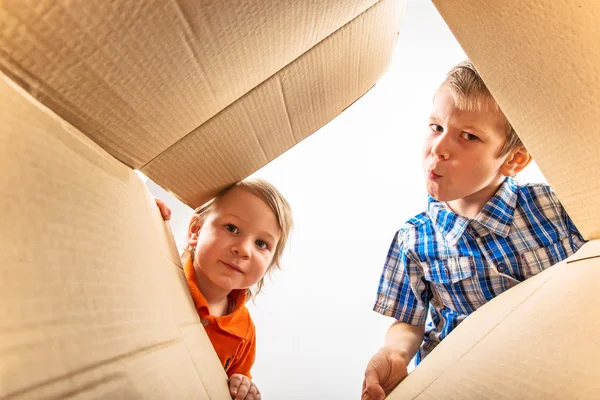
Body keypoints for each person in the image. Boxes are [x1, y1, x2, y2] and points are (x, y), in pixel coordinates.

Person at [361, 60, 586, 399]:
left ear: (513, 160)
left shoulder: (558, 205)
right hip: (467, 382)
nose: (439, 148)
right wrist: (395, 354)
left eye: (468, 136)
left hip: (559, 372)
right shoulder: (414, 240)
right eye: (436, 127)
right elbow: (409, 321)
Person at [156, 179, 293, 400]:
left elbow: (236, 378)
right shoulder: (160, 272)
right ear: (196, 230)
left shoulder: (244, 331)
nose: (244, 249)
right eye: (232, 228)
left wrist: (243, 386)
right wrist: (143, 219)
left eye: (261, 244)